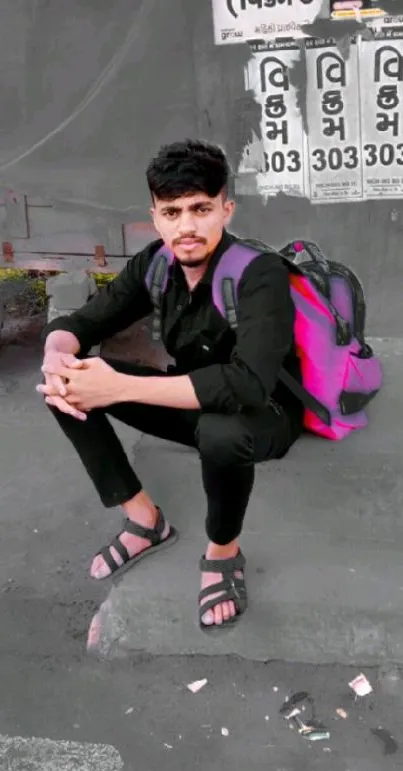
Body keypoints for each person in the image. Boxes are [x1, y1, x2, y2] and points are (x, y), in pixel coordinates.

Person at [37, 139, 303, 630]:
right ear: (156, 217)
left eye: (201, 208)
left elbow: (247, 386)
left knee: (221, 435)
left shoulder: (258, 274)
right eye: (172, 211)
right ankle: (145, 522)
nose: (187, 226)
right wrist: (57, 354)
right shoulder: (156, 263)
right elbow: (85, 321)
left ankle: (223, 551)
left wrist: (118, 387)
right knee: (67, 386)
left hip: (266, 416)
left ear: (226, 209)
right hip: (190, 402)